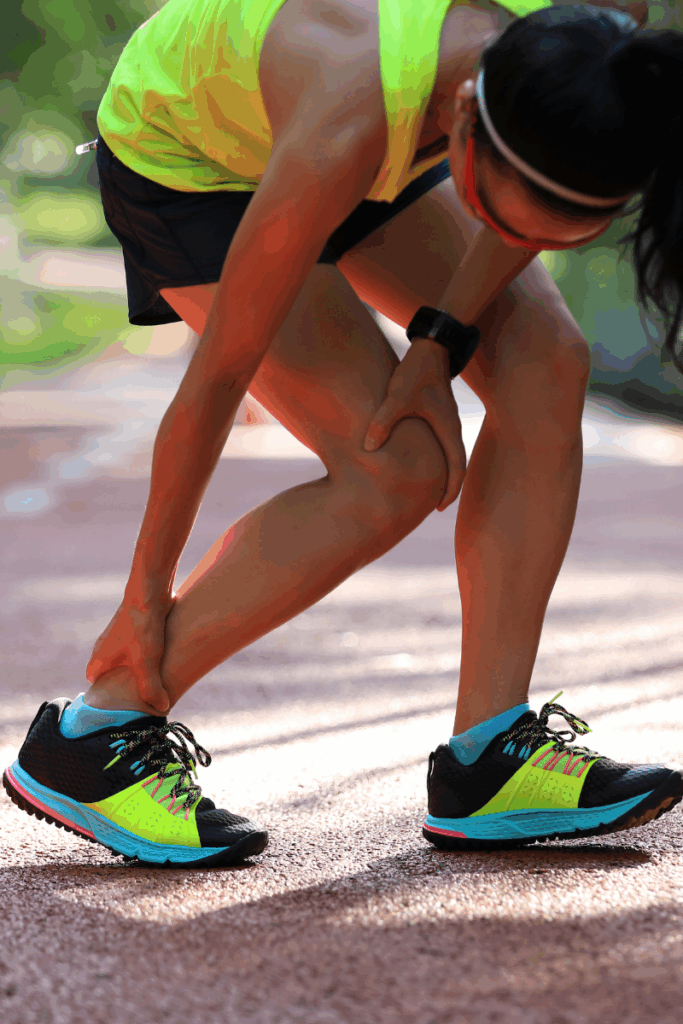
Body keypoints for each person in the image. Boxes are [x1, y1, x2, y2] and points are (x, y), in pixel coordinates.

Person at [4, 0, 683, 866]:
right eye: (495, 214)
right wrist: (141, 597)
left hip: (392, 137)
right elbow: (215, 380)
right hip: (197, 159)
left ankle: (488, 761)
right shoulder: (346, 111)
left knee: (545, 362)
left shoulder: (602, 52)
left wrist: (437, 345)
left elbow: (521, 213)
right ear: (469, 114)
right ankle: (97, 731)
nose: (510, 240)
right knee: (395, 470)